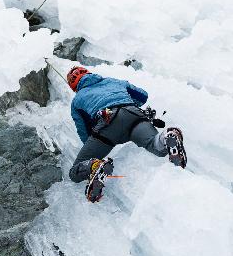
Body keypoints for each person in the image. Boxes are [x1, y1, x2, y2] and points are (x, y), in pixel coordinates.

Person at [67, 66, 187, 202]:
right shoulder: (113, 81)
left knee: (74, 172)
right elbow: (143, 95)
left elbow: (84, 131)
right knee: (155, 145)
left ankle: (94, 166)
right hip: (135, 114)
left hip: (109, 122)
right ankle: (167, 136)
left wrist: (92, 148)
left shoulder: (77, 100)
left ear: (74, 86)